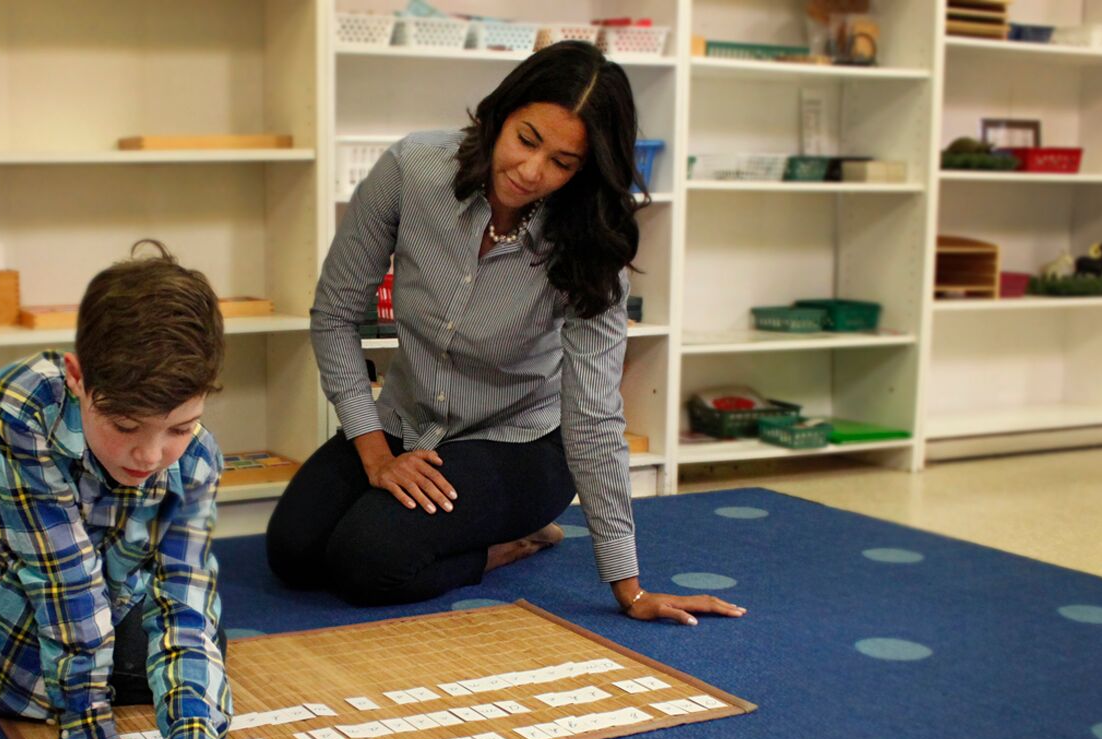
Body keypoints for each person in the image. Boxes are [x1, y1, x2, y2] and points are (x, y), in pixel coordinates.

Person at [268, 41, 746, 628]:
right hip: (405, 423)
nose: (532, 171)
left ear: (586, 169)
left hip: (520, 444)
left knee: (367, 561)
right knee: (292, 552)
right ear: (502, 112)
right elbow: (336, 312)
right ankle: (463, 528)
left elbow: (594, 414)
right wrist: (372, 452)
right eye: (526, 139)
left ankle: (504, 544)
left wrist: (630, 588)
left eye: (563, 163)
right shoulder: (413, 169)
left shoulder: (591, 242)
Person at [0, 242, 263, 739]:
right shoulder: (15, 411)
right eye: (124, 425)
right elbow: (63, 585)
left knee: (200, 636)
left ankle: (99, 674)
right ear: (76, 377)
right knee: (90, 652)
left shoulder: (196, 458)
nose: (150, 454)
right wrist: (90, 726)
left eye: (180, 427)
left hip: (100, 587)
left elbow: (184, 597)